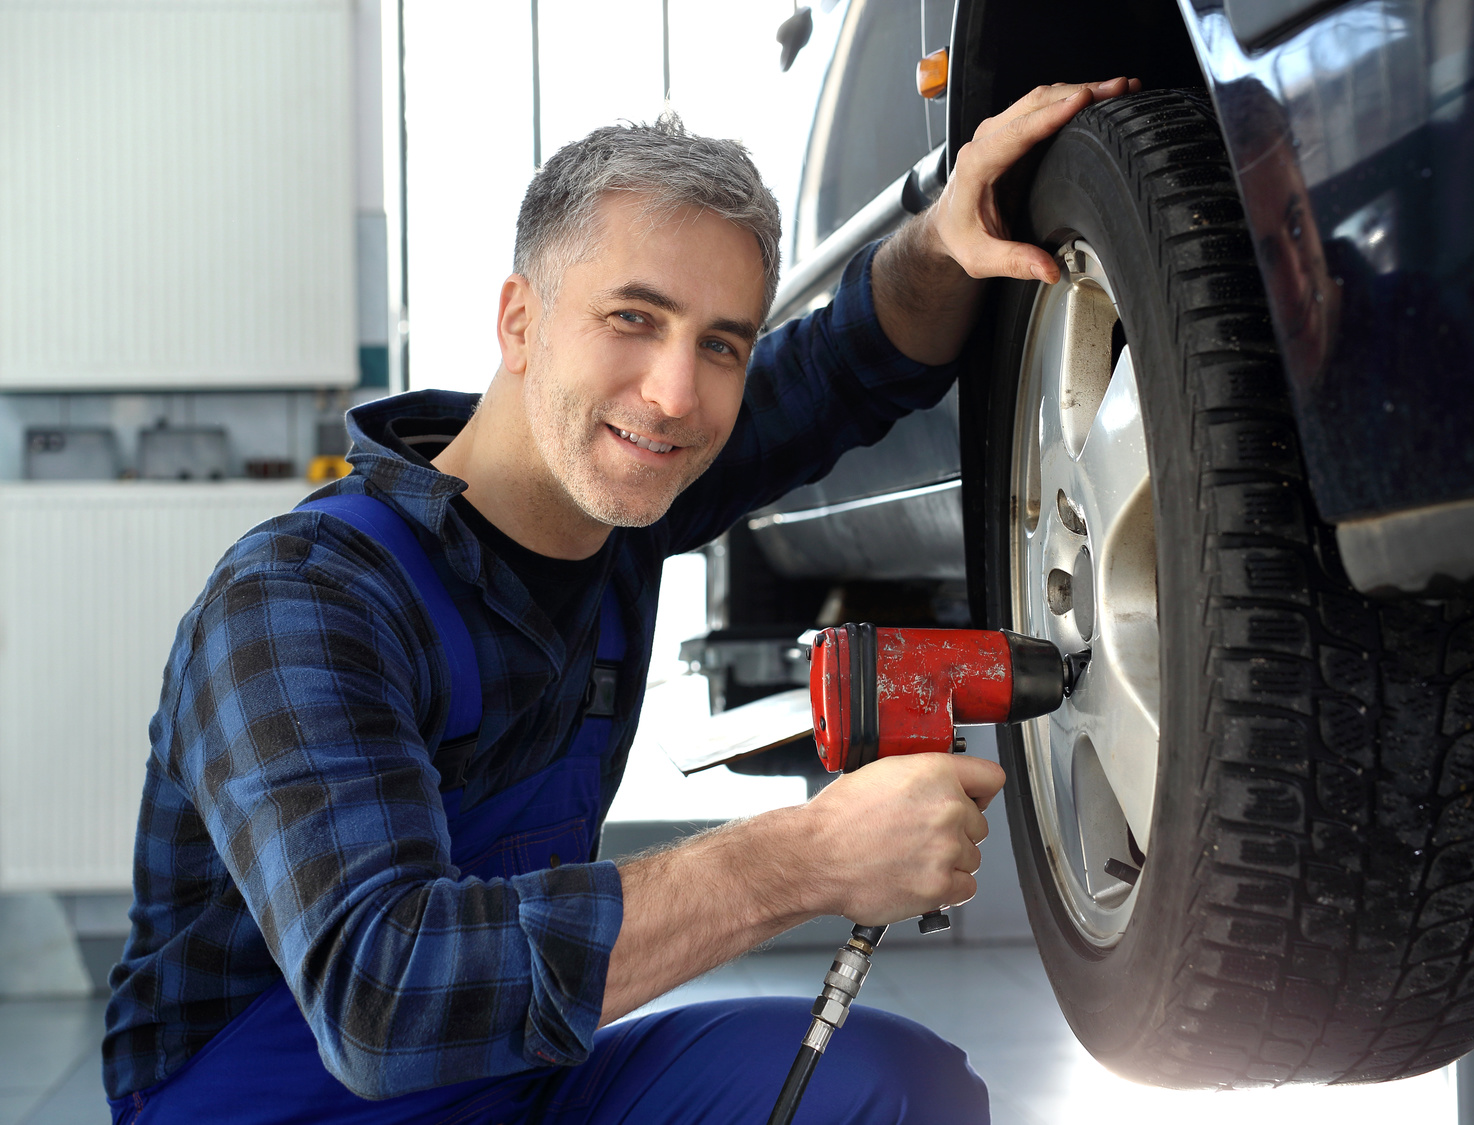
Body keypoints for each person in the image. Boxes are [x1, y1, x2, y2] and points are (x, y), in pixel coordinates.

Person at [103, 78, 1140, 1124]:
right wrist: (801, 858)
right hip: (283, 1107)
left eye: (720, 343)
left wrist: (946, 231)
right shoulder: (303, 602)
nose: (674, 393)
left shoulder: (620, 508)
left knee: (887, 1089)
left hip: (511, 1088)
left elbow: (847, 363)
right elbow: (384, 1001)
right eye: (632, 319)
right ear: (520, 321)